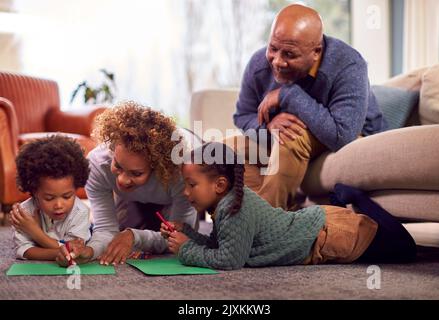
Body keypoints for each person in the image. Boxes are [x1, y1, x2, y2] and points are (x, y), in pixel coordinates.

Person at [160, 142, 416, 270]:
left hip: (329, 235)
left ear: (219, 184)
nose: (185, 191)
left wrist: (186, 249)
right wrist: (188, 233)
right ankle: (348, 201)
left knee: (406, 250)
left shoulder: (232, 208)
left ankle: (356, 198)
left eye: (191, 184)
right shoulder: (228, 202)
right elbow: (222, 244)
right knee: (399, 246)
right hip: (320, 224)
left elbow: (229, 260)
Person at [231, 4, 388, 209]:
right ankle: (249, 216)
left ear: (316, 52)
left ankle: (264, 227)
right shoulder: (259, 64)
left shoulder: (349, 64)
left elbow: (342, 135)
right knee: (229, 148)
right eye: (273, 48)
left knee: (290, 137)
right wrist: (267, 127)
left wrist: (288, 94)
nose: (277, 61)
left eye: (289, 54)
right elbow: (242, 115)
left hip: (354, 136)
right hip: (298, 137)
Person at [56, 101, 198, 267]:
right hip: (135, 197)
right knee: (120, 239)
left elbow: (178, 237)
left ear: (157, 168)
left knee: (177, 242)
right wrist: (90, 251)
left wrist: (134, 236)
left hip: (184, 169)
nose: (122, 180)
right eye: (118, 165)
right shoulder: (97, 165)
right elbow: (105, 230)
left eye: (136, 173)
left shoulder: (182, 172)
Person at [11, 135, 91, 261]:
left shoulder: (81, 212)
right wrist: (57, 253)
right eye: (49, 198)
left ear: (76, 188)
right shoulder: (24, 214)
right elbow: (24, 250)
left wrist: (35, 232)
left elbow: (74, 251)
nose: (59, 204)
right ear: (34, 191)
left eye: (67, 196)